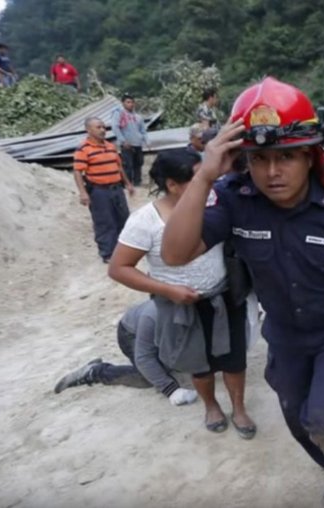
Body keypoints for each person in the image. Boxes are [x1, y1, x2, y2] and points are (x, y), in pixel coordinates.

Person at [161, 78, 324, 507]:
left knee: (323, 416)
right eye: (259, 158)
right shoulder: (235, 199)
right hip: (285, 334)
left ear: (310, 155)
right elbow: (174, 253)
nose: (271, 172)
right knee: (298, 421)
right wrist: (206, 175)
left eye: (285, 157)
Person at [108, 148, 254, 438]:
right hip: (180, 305)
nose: (207, 181)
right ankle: (211, 406)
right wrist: (166, 289)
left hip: (224, 296)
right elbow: (119, 268)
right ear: (172, 185)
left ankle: (239, 408)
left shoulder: (212, 202)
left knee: (234, 358)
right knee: (199, 364)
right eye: (197, 176)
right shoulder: (145, 221)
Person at [52, 300, 200, 406]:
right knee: (149, 377)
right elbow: (144, 358)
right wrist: (171, 390)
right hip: (130, 335)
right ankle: (95, 372)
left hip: (161, 333)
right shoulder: (153, 317)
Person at [72, 117, 134, 263]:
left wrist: (127, 184)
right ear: (88, 130)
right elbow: (77, 172)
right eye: (98, 127)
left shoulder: (110, 146)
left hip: (117, 189)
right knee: (105, 222)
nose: (102, 130)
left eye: (103, 127)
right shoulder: (83, 149)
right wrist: (83, 193)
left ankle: (123, 251)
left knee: (123, 219)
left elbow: (118, 167)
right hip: (99, 192)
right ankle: (108, 254)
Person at [111, 93, 148, 186]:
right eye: (128, 102)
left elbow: (143, 130)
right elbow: (115, 127)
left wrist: (146, 141)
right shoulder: (119, 113)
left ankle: (137, 182)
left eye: (132, 102)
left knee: (138, 163)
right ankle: (126, 183)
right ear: (123, 103)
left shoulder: (138, 117)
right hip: (127, 144)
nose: (131, 104)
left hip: (138, 144)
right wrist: (123, 141)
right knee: (127, 165)